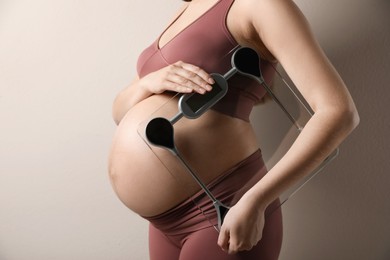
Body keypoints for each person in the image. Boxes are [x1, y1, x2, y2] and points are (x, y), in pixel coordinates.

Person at [108, 0, 360, 259]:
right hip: (163, 223)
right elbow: (119, 112)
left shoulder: (260, 4)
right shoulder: (186, 9)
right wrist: (148, 83)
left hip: (225, 209)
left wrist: (257, 200)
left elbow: (338, 112)